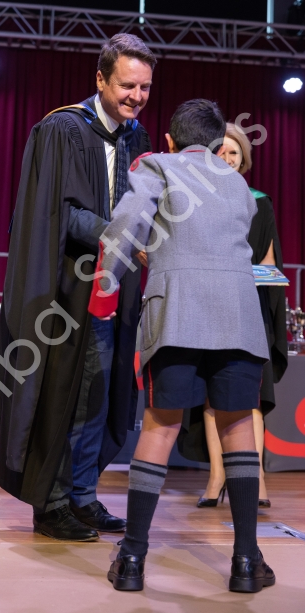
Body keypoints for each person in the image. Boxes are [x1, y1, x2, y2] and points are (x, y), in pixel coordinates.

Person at [88, 99, 275, 593]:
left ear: (170, 140)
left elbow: (125, 228)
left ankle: (132, 558)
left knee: (161, 425)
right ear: (217, 144)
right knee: (237, 425)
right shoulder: (238, 183)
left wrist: (106, 285)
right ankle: (245, 561)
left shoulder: (157, 165)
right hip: (238, 316)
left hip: (176, 314)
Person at [0, 34, 156, 542]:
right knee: (62, 394)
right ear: (100, 79)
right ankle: (51, 502)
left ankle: (82, 495)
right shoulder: (62, 130)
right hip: (64, 290)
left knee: (98, 395)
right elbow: (59, 213)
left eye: (145, 87)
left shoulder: (137, 138)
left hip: (114, 289)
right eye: (127, 85)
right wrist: (118, 235)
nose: (137, 97)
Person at [196, 123, 287, 509]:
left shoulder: (259, 202)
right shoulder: (196, 201)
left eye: (234, 152)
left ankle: (257, 478)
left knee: (250, 397)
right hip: (206, 308)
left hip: (248, 309)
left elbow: (269, 266)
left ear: (244, 159)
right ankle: (216, 476)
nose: (227, 158)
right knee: (210, 399)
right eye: (220, 152)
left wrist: (238, 273)